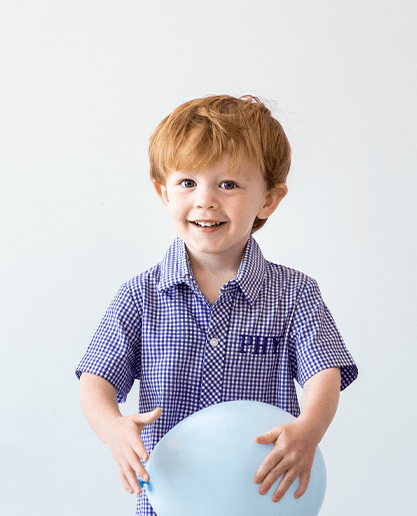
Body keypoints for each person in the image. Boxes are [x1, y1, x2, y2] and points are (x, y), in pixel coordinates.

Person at [76, 94, 358, 516]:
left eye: (228, 184)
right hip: (169, 500)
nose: (205, 200)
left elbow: (325, 373)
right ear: (163, 192)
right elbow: (95, 381)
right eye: (188, 182)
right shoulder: (140, 296)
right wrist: (113, 429)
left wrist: (308, 431)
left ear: (268, 199)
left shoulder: (295, 294)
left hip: (260, 499)